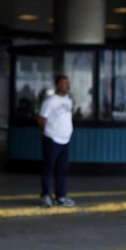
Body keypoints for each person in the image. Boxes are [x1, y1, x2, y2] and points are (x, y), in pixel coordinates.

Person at [37, 74, 75, 207]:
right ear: (58, 85)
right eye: (65, 83)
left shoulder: (69, 101)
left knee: (62, 169)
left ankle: (61, 196)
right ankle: (45, 195)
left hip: (65, 140)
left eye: (68, 83)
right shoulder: (50, 101)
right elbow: (41, 119)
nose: (68, 85)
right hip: (52, 139)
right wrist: (49, 132)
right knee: (48, 168)